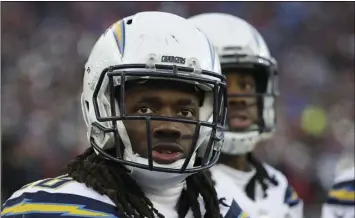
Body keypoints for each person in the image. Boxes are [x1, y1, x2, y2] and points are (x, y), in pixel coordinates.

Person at [1, 11, 249, 218]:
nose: (170, 126)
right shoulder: (44, 208)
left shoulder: (226, 213)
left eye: (185, 111)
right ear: (102, 106)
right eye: (145, 109)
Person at [189, 13, 304, 218]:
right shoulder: (178, 188)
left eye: (246, 85)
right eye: (222, 84)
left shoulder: (278, 185)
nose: (239, 98)